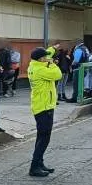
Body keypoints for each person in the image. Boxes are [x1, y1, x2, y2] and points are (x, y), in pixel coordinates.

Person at [27, 47, 63, 177]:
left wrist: (53, 49)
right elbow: (58, 75)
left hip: (41, 105)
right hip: (44, 107)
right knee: (44, 138)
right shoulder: (40, 69)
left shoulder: (34, 66)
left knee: (41, 136)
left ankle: (39, 163)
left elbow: (47, 53)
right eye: (45, 57)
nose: (47, 58)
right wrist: (52, 64)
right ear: (40, 59)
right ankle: (34, 167)